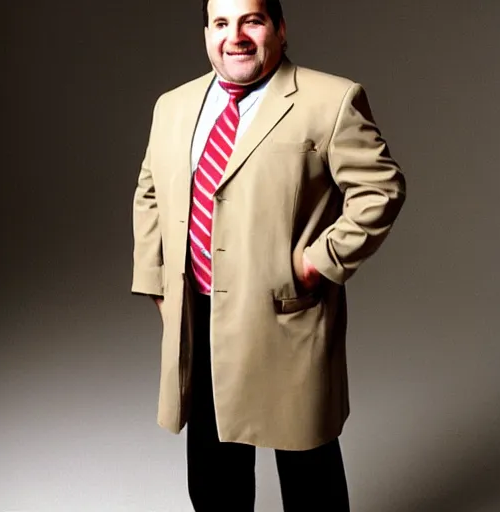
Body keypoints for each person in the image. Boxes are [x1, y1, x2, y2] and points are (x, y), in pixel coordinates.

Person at [131, 0, 406, 509]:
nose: (235, 36)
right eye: (221, 23)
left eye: (251, 21)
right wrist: (155, 279)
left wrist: (316, 263)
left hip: (285, 313)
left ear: (279, 29)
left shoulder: (331, 99)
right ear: (207, 33)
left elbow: (380, 189)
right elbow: (150, 189)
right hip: (199, 311)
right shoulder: (173, 105)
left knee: (308, 470)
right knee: (214, 471)